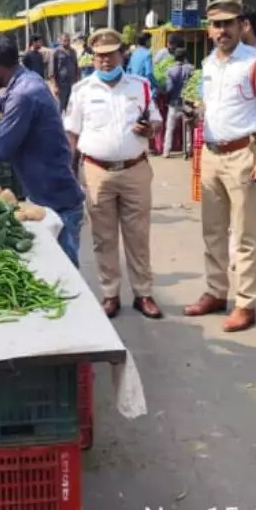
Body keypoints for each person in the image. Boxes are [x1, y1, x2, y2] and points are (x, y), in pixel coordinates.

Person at [0, 32, 87, 264]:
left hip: (58, 203)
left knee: (65, 279)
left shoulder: (24, 94)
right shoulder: (24, 80)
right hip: (46, 194)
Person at [187, 0, 256, 334]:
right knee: (212, 230)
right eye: (216, 24)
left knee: (244, 234)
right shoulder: (209, 63)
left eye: (229, 23)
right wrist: (197, 112)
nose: (222, 30)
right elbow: (211, 104)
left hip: (243, 154)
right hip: (211, 153)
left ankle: (245, 303)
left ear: (242, 25)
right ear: (209, 30)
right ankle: (215, 291)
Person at [64, 29, 162, 320]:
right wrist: (69, 172)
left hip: (135, 170)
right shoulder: (82, 90)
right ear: (92, 58)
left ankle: (143, 293)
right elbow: (71, 133)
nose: (105, 61)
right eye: (99, 56)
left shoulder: (140, 86)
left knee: (138, 235)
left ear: (122, 55)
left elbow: (155, 120)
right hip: (96, 172)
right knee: (103, 237)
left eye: (110, 54)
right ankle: (110, 294)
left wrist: (150, 129)